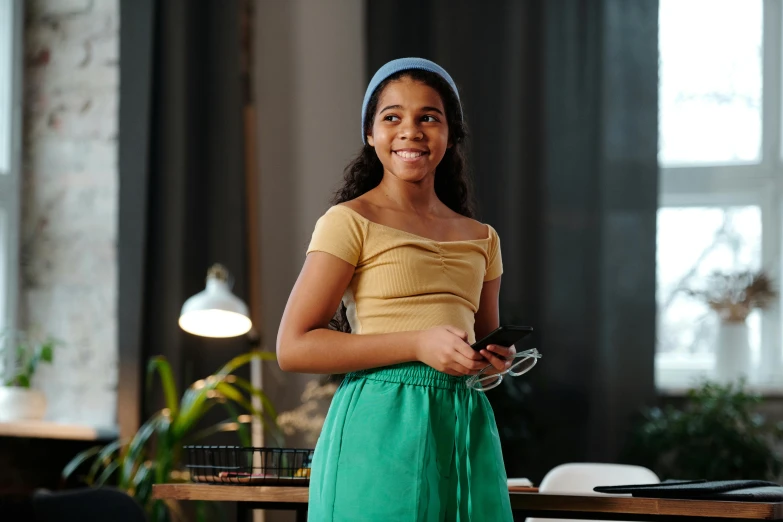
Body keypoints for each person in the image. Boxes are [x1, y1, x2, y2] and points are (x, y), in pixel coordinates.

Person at [277, 57, 515, 521]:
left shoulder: (483, 238)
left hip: (464, 430)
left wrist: (491, 363)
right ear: (370, 134)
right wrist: (417, 343)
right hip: (378, 427)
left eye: (429, 117)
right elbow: (293, 347)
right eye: (392, 117)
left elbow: (482, 364)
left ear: (452, 134)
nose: (412, 130)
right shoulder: (349, 222)